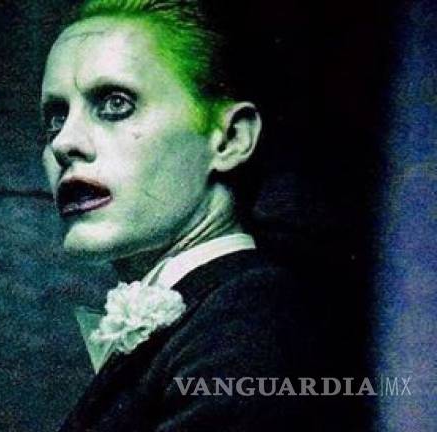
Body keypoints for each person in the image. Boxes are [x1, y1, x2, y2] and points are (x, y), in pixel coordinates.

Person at [39, 1, 331, 430]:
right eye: (55, 117)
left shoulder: (246, 321)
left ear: (230, 139)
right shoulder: (215, 312)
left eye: (116, 103)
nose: (64, 143)